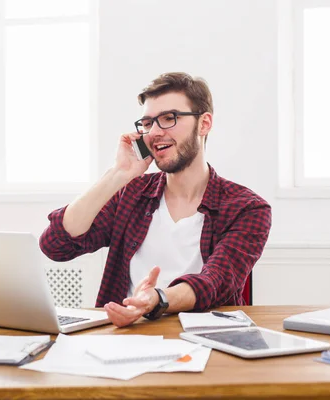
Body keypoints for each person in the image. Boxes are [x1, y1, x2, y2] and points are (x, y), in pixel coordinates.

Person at [39, 72, 272, 328]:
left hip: (207, 340)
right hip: (126, 338)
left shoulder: (247, 208)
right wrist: (117, 174)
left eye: (168, 118)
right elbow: (56, 245)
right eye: (148, 123)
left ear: (204, 123)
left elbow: (216, 281)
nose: (155, 132)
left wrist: (157, 299)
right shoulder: (132, 194)